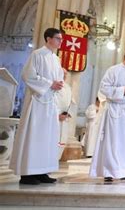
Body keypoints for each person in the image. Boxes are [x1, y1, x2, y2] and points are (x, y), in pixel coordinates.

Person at [9, 28, 65, 185]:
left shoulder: (56, 59)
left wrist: (60, 83)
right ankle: (27, 174)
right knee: (34, 136)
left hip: (50, 103)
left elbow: (58, 78)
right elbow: (28, 75)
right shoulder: (37, 54)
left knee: (48, 137)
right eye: (58, 38)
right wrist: (49, 84)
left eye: (61, 39)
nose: (60, 41)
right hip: (37, 102)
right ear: (48, 39)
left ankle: (42, 171)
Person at [89, 47, 125, 183]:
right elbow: (103, 88)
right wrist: (121, 90)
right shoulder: (113, 71)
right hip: (114, 110)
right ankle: (109, 171)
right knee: (112, 142)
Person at [56, 68, 72, 160]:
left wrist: (68, 113)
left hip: (64, 118)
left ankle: (56, 162)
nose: (65, 76)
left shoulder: (68, 87)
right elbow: (53, 101)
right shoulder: (54, 85)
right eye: (63, 73)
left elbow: (71, 102)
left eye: (66, 74)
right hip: (55, 117)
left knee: (62, 141)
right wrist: (57, 115)